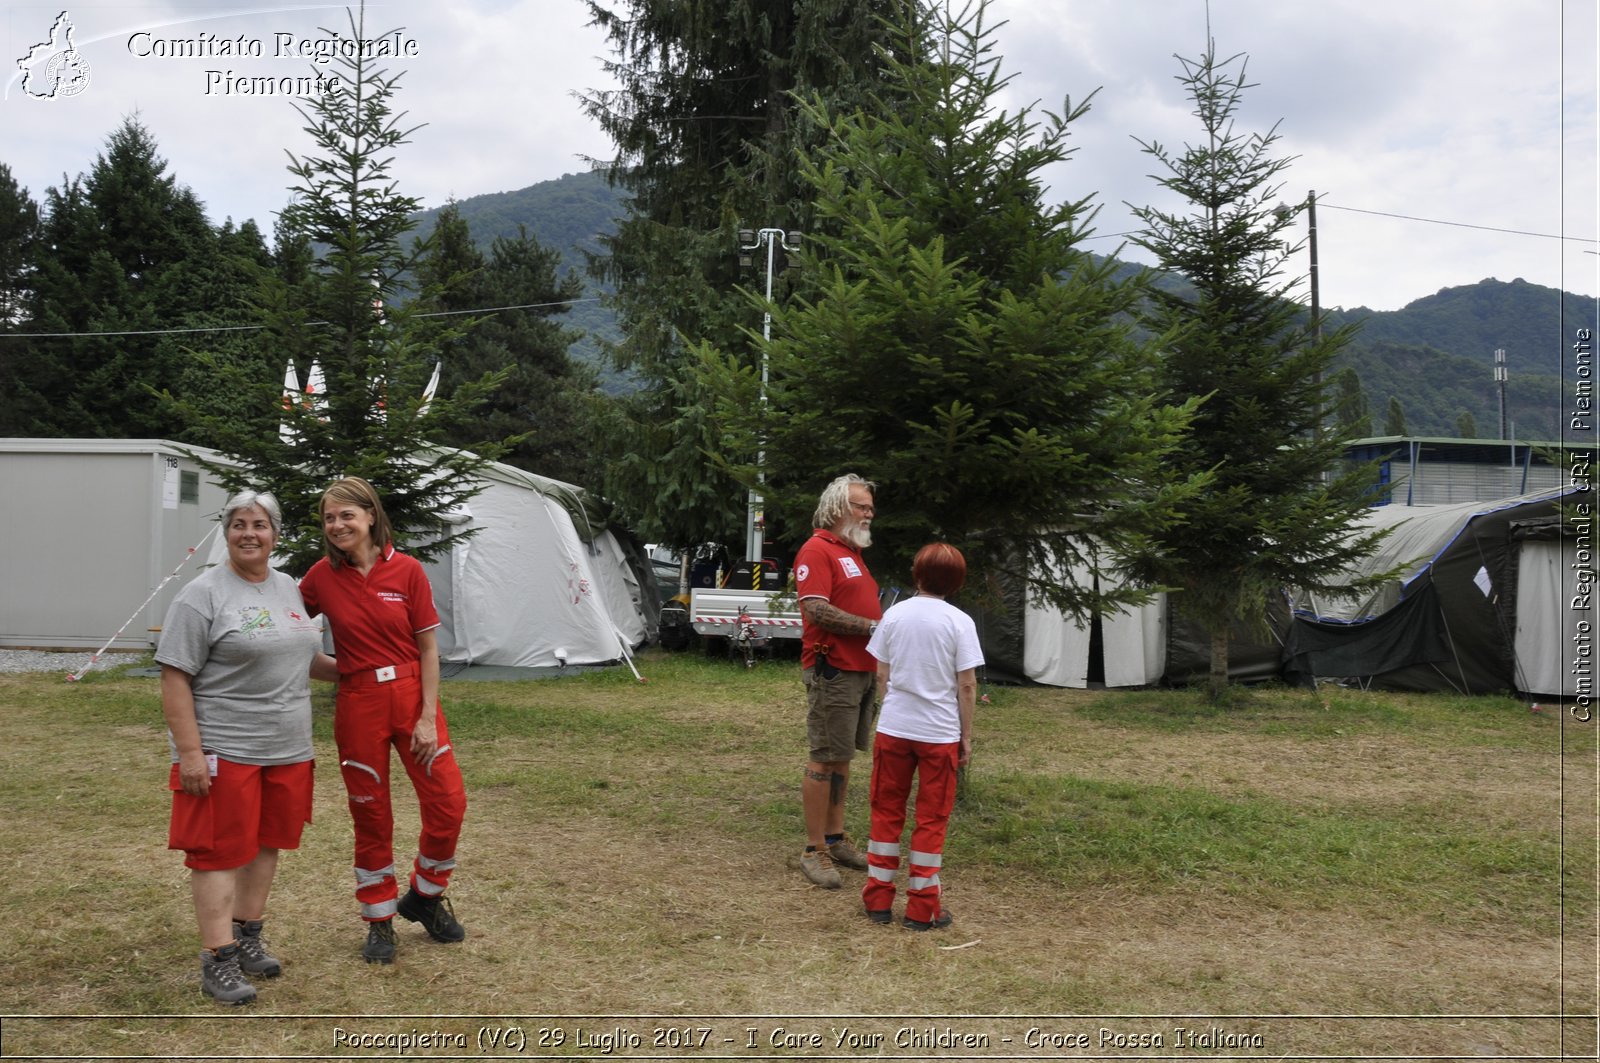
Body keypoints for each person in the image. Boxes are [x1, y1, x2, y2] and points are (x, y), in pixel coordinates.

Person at [156, 490, 337, 1005]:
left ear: (275, 534)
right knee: (217, 852)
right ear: (226, 531)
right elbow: (174, 676)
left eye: (259, 524)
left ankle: (247, 935)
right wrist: (190, 752)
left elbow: (308, 658)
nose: (249, 534)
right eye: (239, 524)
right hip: (224, 747)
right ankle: (218, 957)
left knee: (265, 842)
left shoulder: (289, 589)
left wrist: (363, 670)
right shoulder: (202, 594)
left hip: (288, 747)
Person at [299, 477, 468, 964]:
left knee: (449, 803)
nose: (337, 526)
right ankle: (378, 920)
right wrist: (334, 670)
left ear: (371, 516)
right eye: (329, 518)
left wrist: (427, 719)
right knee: (370, 813)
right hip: (358, 704)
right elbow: (284, 633)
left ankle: (426, 896)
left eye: (346, 515)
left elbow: (429, 648)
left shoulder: (408, 571)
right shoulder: (320, 578)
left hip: (415, 697)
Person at [861, 542, 983, 930]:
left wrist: (892, 706)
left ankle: (878, 900)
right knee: (931, 818)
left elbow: (881, 674)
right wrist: (966, 736)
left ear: (917, 574)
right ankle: (922, 907)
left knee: (886, 811)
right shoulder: (960, 622)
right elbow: (966, 685)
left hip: (894, 730)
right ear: (957, 582)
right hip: (939, 735)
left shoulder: (893, 615)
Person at [793, 473, 883, 888]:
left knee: (842, 757)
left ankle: (835, 838)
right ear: (837, 508)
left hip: (859, 670)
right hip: (834, 671)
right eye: (861, 506)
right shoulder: (817, 550)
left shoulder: (850, 552)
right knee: (825, 757)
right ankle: (814, 851)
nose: (870, 513)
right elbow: (815, 610)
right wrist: (873, 628)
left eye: (869, 507)